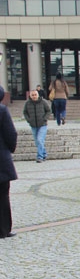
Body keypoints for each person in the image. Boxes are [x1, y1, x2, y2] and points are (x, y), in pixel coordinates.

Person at [0, 85, 18, 239]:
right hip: (1, 161)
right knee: (3, 196)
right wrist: (9, 149)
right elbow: (11, 134)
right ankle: (4, 229)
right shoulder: (2, 110)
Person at [23, 89, 51, 163]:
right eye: (32, 95)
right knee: (37, 142)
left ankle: (40, 157)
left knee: (39, 139)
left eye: (35, 95)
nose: (34, 96)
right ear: (30, 96)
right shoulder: (27, 103)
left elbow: (48, 111)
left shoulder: (43, 102)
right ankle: (44, 154)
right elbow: (25, 112)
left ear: (38, 95)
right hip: (33, 125)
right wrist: (29, 120)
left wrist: (44, 119)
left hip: (42, 124)